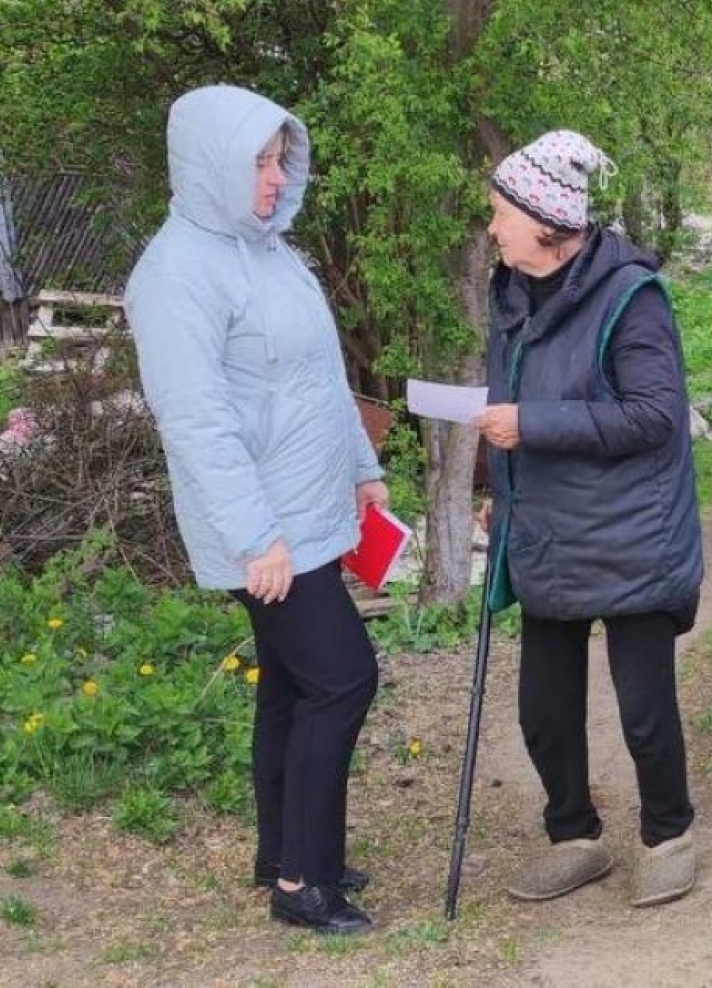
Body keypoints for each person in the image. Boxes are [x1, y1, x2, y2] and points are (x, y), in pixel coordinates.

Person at [125, 85, 384, 935]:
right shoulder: (174, 275)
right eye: (259, 164)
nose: (276, 180)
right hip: (265, 528)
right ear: (210, 167)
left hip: (309, 508)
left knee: (290, 686)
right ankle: (303, 886)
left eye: (280, 161)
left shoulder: (275, 254)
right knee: (345, 679)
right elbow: (196, 422)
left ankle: (283, 851)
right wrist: (255, 535)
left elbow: (318, 375)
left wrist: (361, 467)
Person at [475, 130, 704, 908]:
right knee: (542, 708)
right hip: (548, 528)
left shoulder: (631, 297)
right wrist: (498, 480)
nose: (491, 228)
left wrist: (532, 427)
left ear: (545, 222)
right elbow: (504, 400)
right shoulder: (510, 295)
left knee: (643, 706)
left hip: (633, 533)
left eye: (500, 212)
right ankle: (575, 836)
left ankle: (668, 834)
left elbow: (654, 417)